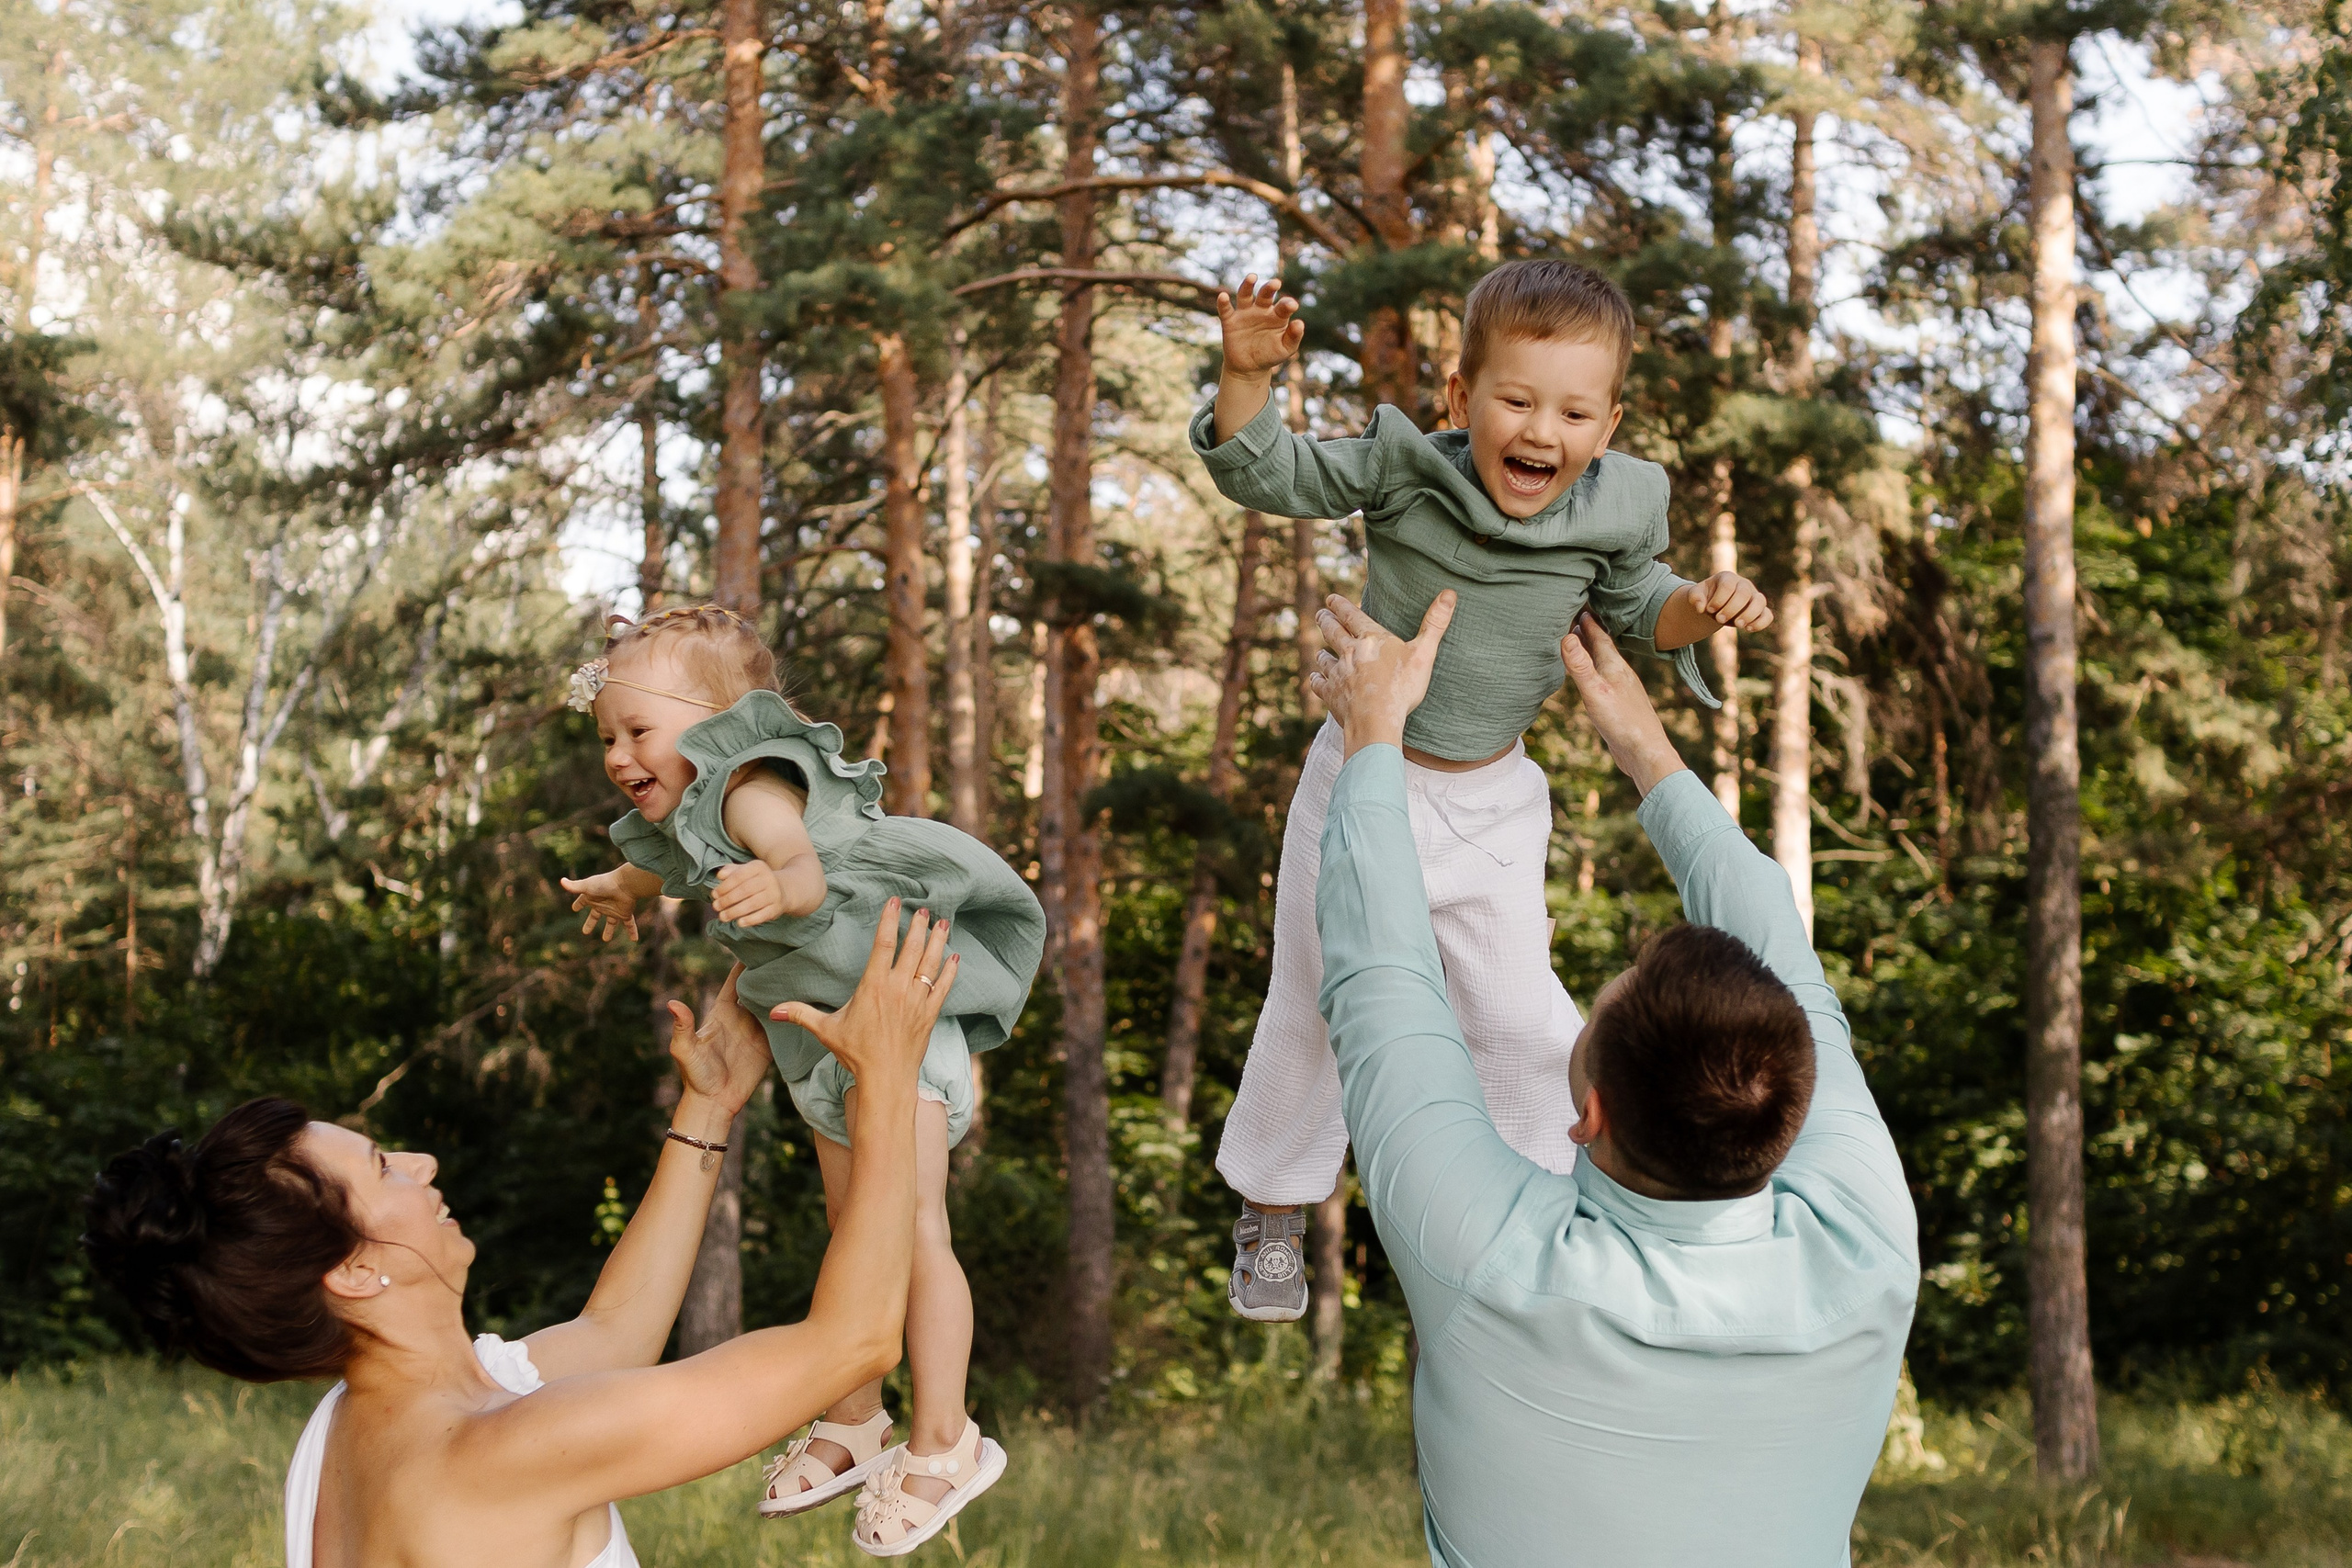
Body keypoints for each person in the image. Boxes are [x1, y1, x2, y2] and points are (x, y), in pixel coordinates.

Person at [1191, 260, 1776, 1321]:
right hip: (1360, 780)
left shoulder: (1614, 509)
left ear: (1607, 426)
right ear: (1462, 400)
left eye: (1573, 410)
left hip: (1495, 804)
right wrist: (1243, 379)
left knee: (1523, 1018)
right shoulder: (1406, 471)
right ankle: (1273, 1205)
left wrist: (1706, 603)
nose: (1540, 430)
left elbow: (1647, 609)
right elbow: (1264, 471)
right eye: (1515, 399)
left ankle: (1546, 1209)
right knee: (1316, 1002)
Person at [1305, 590, 1919, 1567]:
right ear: (1796, 1110)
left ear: (1584, 1114)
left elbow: (1382, 980)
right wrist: (1649, 754)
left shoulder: (1490, 1259)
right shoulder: (1867, 1248)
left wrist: (1372, 730)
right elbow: (1378, 983)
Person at [81, 909, 956, 1568]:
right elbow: (853, 1343)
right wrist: (883, 1077)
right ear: (351, 1269)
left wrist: (708, 1104)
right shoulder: (492, 1453)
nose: (422, 1164)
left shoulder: (352, 1433)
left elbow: (615, 1335)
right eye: (385, 1167)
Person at [556, 604, 1039, 1550]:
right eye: (607, 735)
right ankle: (856, 1417)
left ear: (719, 725)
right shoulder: (689, 807)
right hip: (822, 1042)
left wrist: (779, 887)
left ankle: (946, 1441)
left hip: (894, 1022)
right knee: (853, 1233)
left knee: (911, 1228)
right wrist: (624, 886)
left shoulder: (746, 789)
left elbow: (799, 866)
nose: (618, 754)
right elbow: (663, 864)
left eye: (638, 731)